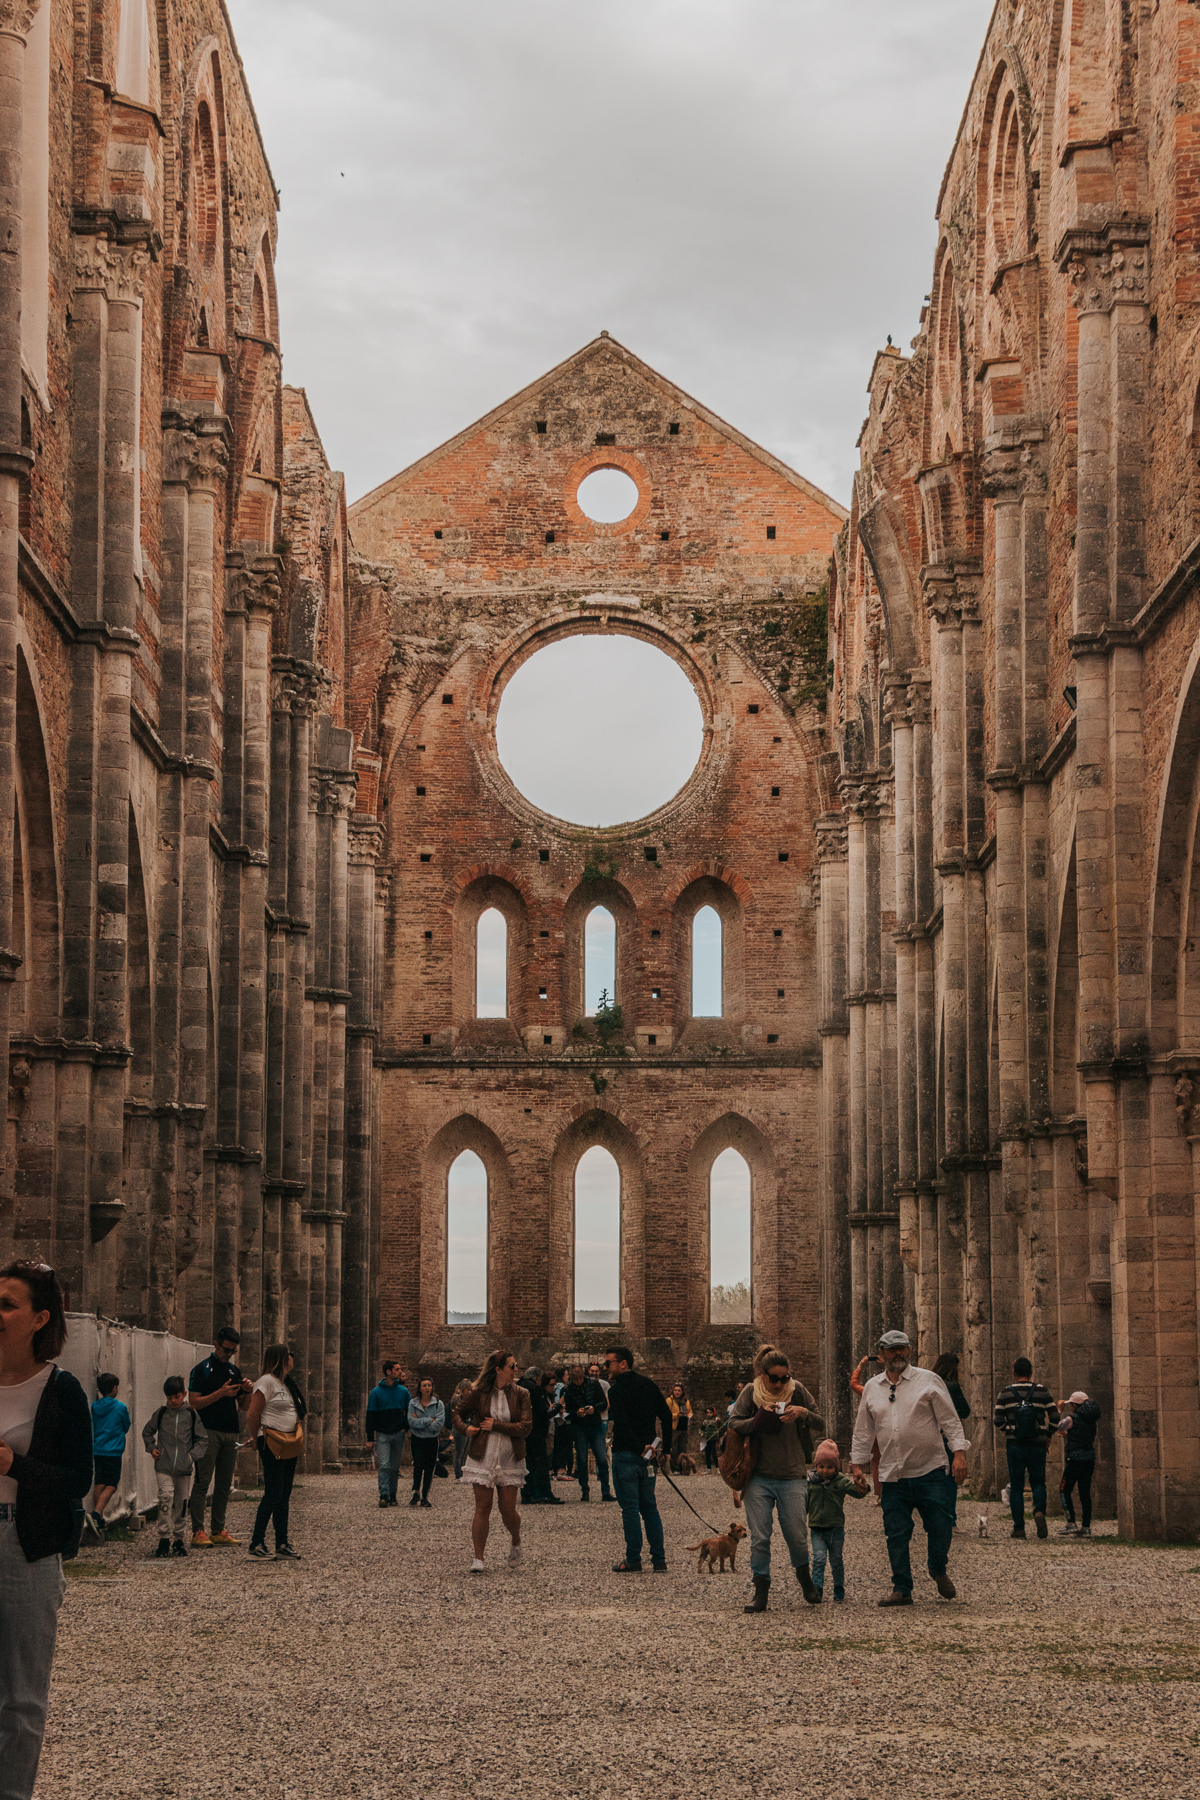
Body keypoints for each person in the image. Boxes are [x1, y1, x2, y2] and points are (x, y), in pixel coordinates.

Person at [0, 1259, 92, 1800]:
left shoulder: (61, 1390)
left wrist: (14, 1466)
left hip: (24, 1545)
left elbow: (78, 1479)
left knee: (20, 1698)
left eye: (7, 1304)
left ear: (39, 1319)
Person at [851, 1328, 969, 1607]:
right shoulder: (872, 1388)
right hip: (893, 1474)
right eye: (892, 1350)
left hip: (931, 1470)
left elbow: (950, 1420)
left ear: (909, 1351)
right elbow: (863, 1431)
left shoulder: (929, 1381)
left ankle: (937, 1568)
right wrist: (857, 1464)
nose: (899, 1353)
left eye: (903, 1348)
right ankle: (902, 1588)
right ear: (881, 1355)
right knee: (896, 1532)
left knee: (940, 1526)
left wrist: (959, 1454)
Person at [727, 1345, 825, 1612]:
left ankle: (805, 1581)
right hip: (758, 1476)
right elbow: (733, 1422)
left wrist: (802, 1413)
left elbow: (821, 1423)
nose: (780, 1383)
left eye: (785, 1378)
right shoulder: (751, 1392)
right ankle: (761, 1591)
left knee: (796, 1535)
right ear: (763, 1374)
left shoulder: (799, 1391)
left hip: (792, 1475)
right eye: (774, 1378)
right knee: (760, 1538)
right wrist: (758, 1419)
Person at [454, 1350, 531, 1573]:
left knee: (507, 1509)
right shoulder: (478, 1392)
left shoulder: (522, 1393)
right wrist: (466, 1428)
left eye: (516, 1365)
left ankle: (516, 1540)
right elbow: (456, 1413)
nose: (516, 1369)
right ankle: (479, 1558)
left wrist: (495, 1425)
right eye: (512, 1366)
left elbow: (526, 1427)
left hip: (509, 1456)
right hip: (483, 1454)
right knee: (482, 1507)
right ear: (498, 1369)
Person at [603, 1346, 673, 1573]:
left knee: (630, 1509)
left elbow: (621, 1423)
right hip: (649, 1457)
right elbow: (665, 1415)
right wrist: (666, 1449)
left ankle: (633, 1559)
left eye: (609, 1363)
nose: (606, 1368)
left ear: (623, 1364)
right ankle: (659, 1560)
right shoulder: (648, 1384)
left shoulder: (616, 1391)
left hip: (626, 1455)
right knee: (650, 1508)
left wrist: (636, 1446)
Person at [187, 1327, 252, 1547]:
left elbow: (243, 1407)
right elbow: (194, 1402)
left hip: (231, 1430)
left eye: (233, 1351)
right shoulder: (201, 1370)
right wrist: (220, 1393)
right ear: (216, 1344)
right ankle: (197, 1530)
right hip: (208, 1430)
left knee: (224, 1483)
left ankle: (217, 1528)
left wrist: (248, 1391)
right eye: (226, 1349)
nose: (229, 1354)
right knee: (203, 1480)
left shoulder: (234, 1371)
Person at [244, 1343, 306, 1561]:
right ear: (281, 1357)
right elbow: (253, 1412)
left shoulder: (286, 1383)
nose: (292, 1357)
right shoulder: (267, 1381)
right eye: (290, 1354)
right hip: (271, 1442)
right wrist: (256, 1437)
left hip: (289, 1442)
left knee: (284, 1494)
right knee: (273, 1492)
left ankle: (282, 1542)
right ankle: (256, 1543)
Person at [993, 1356, 1059, 1540]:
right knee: (1038, 1481)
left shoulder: (1005, 1392)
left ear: (1014, 1372)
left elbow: (997, 1420)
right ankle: (1039, 1511)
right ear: (1031, 1373)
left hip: (1015, 1445)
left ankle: (1019, 1527)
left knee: (1016, 1486)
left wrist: (1010, 1431)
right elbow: (1055, 1417)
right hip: (1037, 1444)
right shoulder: (1042, 1391)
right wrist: (1047, 1434)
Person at [142, 1375, 207, 1558]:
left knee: (181, 1504)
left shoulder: (192, 1414)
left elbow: (202, 1439)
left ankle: (179, 1539)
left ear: (184, 1394)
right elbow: (147, 1431)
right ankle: (163, 1538)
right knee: (165, 1498)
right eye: (169, 1398)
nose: (173, 1401)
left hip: (184, 1469)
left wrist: (191, 1457)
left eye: (176, 1397)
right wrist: (152, 1448)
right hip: (164, 1465)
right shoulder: (162, 1413)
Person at [806, 1439, 869, 1602]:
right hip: (816, 1527)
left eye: (830, 1467)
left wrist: (864, 1488)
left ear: (836, 1468)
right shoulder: (810, 1483)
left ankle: (838, 1586)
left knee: (836, 1559)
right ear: (816, 1466)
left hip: (835, 1527)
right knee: (818, 1559)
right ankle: (817, 1588)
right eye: (821, 1466)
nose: (825, 1471)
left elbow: (856, 1492)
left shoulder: (840, 1481)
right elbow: (805, 1503)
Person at [87, 1370, 131, 1537]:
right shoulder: (120, 1407)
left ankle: (98, 1519)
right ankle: (96, 1513)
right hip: (113, 1451)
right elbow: (126, 1426)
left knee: (99, 1482)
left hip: (98, 1449)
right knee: (112, 1484)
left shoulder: (95, 1406)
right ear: (114, 1388)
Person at [563, 1363, 614, 1502]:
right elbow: (567, 1411)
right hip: (580, 1427)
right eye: (576, 1379)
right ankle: (585, 1490)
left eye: (580, 1378)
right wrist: (577, 1413)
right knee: (582, 1459)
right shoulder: (569, 1389)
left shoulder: (594, 1384)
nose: (578, 1381)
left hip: (595, 1425)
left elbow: (604, 1402)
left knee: (602, 1459)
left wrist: (594, 1408)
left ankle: (605, 1491)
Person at [932, 1351, 971, 1530]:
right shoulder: (952, 1387)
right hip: (946, 1438)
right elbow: (965, 1411)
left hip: (930, 1438)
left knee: (931, 1478)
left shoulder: (928, 1384)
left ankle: (933, 1518)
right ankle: (950, 1519)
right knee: (950, 1480)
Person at [365, 1358, 410, 1508]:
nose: (400, 1371)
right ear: (388, 1372)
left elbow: (409, 1412)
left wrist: (406, 1428)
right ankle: (383, 1494)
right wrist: (370, 1437)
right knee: (384, 1465)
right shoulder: (376, 1393)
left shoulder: (403, 1392)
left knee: (395, 1466)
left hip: (398, 1433)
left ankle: (393, 1494)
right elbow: (370, 1415)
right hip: (383, 1434)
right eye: (397, 1369)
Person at [1056, 1389, 1101, 1537]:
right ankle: (1086, 1527)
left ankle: (1071, 1522)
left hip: (1074, 1459)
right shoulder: (1091, 1420)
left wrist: (1058, 1410)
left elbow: (1058, 1426)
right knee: (1085, 1493)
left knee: (1064, 1490)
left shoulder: (1071, 1418)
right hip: (1088, 1459)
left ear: (1075, 1405)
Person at [520, 1367, 562, 1505]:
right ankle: (544, 1493)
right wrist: (557, 1408)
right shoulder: (535, 1390)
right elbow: (542, 1414)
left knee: (528, 1464)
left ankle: (528, 1494)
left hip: (524, 1431)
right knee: (541, 1464)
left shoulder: (518, 1386)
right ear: (538, 1378)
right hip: (536, 1432)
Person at [407, 1377, 444, 1507]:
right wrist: (429, 1420)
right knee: (418, 1465)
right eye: (424, 1385)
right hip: (417, 1439)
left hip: (432, 1440)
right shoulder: (413, 1403)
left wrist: (421, 1421)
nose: (427, 1388)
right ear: (419, 1388)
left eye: (429, 1385)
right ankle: (415, 1492)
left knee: (429, 1468)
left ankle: (425, 1496)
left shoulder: (439, 1404)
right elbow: (411, 1422)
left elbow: (439, 1424)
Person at [849, 1353, 882, 1496]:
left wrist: (860, 1366)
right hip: (888, 1431)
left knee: (876, 1464)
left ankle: (880, 1494)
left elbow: (854, 1384)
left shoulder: (870, 1391)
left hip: (875, 1432)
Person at [550, 1368, 575, 1480]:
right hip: (561, 1418)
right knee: (564, 1445)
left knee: (555, 1445)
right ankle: (562, 1469)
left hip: (553, 1417)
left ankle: (553, 1469)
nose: (568, 1376)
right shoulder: (562, 1387)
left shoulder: (553, 1386)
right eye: (566, 1374)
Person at [450, 1374, 474, 1480]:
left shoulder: (468, 1399)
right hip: (459, 1426)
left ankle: (463, 1472)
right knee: (459, 1452)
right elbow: (463, 1413)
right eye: (468, 1389)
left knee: (465, 1452)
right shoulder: (457, 1400)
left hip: (467, 1425)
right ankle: (458, 1474)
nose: (470, 1391)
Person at [666, 1382, 693, 1470]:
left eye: (679, 1390)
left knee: (683, 1448)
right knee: (674, 1449)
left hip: (684, 1426)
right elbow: (667, 1414)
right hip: (674, 1427)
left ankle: (684, 1467)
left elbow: (690, 1411)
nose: (677, 1392)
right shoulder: (670, 1400)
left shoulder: (686, 1401)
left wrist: (689, 1415)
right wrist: (677, 1415)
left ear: (682, 1392)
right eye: (675, 1390)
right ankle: (675, 1468)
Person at [700, 1404, 723, 1470]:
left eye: (710, 1412)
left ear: (713, 1412)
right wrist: (701, 1433)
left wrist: (718, 1434)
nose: (709, 1414)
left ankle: (717, 1468)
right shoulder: (705, 1421)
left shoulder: (717, 1420)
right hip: (707, 1440)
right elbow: (701, 1429)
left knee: (714, 1454)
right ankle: (708, 1469)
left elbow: (722, 1428)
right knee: (707, 1455)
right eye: (707, 1413)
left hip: (714, 1440)